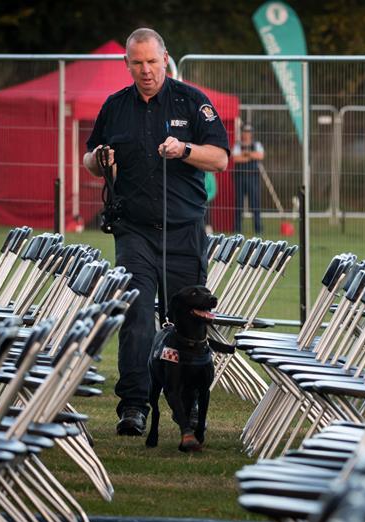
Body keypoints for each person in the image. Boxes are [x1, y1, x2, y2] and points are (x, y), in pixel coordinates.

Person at [82, 28, 229, 436]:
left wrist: (183, 150)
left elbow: (219, 158)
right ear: (126, 64)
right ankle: (133, 405)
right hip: (135, 232)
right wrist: (99, 158)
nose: (146, 70)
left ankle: (191, 411)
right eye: (137, 63)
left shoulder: (193, 102)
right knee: (136, 313)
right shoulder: (115, 107)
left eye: (152, 61)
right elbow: (91, 159)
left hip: (183, 230)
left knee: (189, 324)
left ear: (165, 58)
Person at [231, 124, 265, 234]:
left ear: (251, 133)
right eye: (245, 132)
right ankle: (237, 229)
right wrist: (251, 156)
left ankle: (258, 229)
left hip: (253, 177)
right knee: (239, 204)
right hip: (240, 177)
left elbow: (260, 156)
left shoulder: (257, 144)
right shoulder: (237, 145)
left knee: (255, 203)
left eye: (249, 132)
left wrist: (246, 154)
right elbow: (236, 158)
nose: (247, 134)